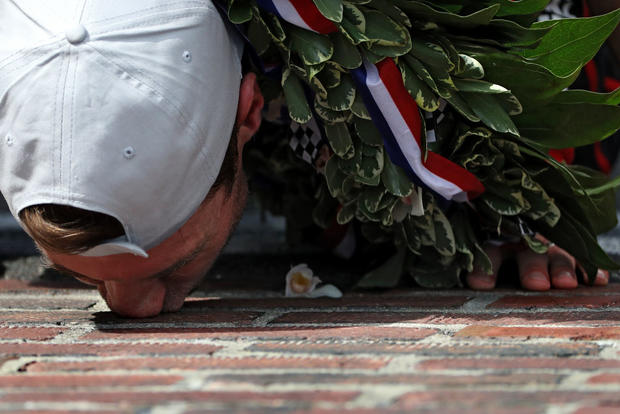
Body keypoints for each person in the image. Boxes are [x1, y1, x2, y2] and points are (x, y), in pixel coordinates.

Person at [0, 0, 612, 318]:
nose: (135, 308)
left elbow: (525, 42)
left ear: (248, 114)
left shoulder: (368, 31)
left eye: (176, 263)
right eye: (82, 275)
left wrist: (507, 205)